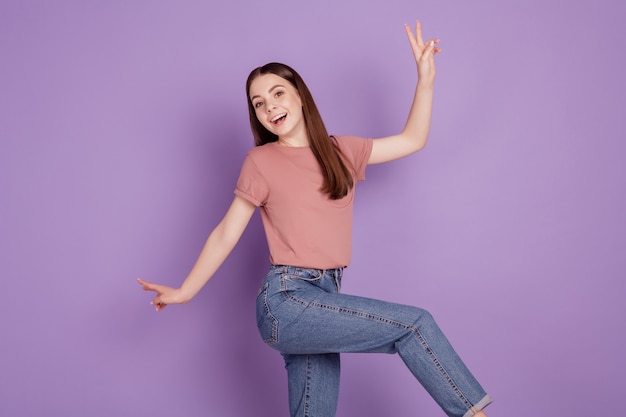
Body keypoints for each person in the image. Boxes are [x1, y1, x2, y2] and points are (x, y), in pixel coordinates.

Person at [138, 21, 492, 417]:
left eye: (277, 93)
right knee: (415, 325)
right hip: (286, 300)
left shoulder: (341, 151)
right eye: (258, 103)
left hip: (326, 300)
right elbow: (226, 233)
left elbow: (412, 139)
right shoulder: (261, 161)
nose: (270, 106)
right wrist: (186, 291)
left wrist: (425, 78)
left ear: (300, 96)